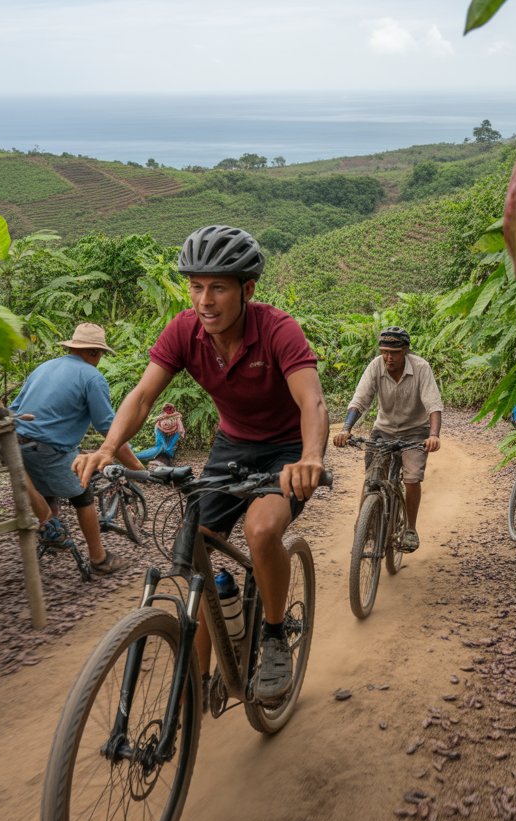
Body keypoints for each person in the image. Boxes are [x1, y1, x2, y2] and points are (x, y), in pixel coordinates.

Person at [73, 225, 328, 701]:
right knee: (195, 546)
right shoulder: (184, 331)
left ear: (247, 290)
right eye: (195, 286)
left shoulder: (278, 329)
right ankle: (199, 679)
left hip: (288, 449)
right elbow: (143, 396)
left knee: (261, 531)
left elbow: (311, 400)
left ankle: (274, 636)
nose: (204, 300)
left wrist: (311, 457)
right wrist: (107, 449)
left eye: (218, 288)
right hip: (232, 445)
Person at [10, 322, 144, 576]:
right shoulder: (92, 377)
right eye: (100, 354)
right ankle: (99, 559)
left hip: (17, 445)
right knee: (82, 495)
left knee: (49, 481)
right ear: (94, 352)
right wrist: (136, 466)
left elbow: (15, 408)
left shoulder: (44, 367)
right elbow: (108, 427)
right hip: (49, 449)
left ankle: (52, 530)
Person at [332, 326, 443, 552]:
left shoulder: (421, 368)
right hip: (384, 430)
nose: (388, 358)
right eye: (384, 352)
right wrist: (345, 429)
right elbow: (360, 400)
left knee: (412, 478)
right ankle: (365, 525)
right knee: (372, 477)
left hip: (415, 432)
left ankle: (410, 529)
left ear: (406, 352)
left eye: (394, 353)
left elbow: (433, 405)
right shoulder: (376, 366)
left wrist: (433, 436)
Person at [135, 401, 185, 466]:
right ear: (164, 410)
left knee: (168, 449)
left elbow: (180, 425)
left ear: (173, 409)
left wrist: (182, 432)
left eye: (170, 408)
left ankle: (167, 458)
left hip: (173, 432)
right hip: (160, 430)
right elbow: (154, 420)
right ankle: (135, 456)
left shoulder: (177, 416)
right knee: (160, 447)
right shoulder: (162, 416)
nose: (169, 410)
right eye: (167, 409)